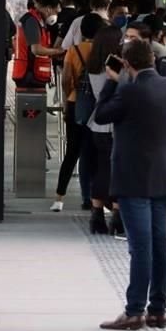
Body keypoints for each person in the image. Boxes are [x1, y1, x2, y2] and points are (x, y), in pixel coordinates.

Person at [94, 40, 166, 331]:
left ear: (127, 64)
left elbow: (101, 115)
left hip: (133, 180)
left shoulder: (128, 91)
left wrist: (111, 82)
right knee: (159, 244)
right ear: (153, 59)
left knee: (140, 247)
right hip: (164, 177)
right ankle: (158, 310)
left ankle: (134, 311)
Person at [52, 13, 105, 212]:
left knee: (73, 151)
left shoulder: (74, 51)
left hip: (76, 104)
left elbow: (66, 79)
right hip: (98, 107)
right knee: (94, 153)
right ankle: (94, 198)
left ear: (82, 31)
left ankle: (59, 198)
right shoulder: (103, 51)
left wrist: (68, 99)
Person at [80, 25, 124, 235]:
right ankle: (117, 216)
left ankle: (97, 215)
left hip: (97, 123)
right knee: (116, 171)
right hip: (113, 123)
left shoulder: (93, 64)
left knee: (101, 169)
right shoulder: (115, 66)